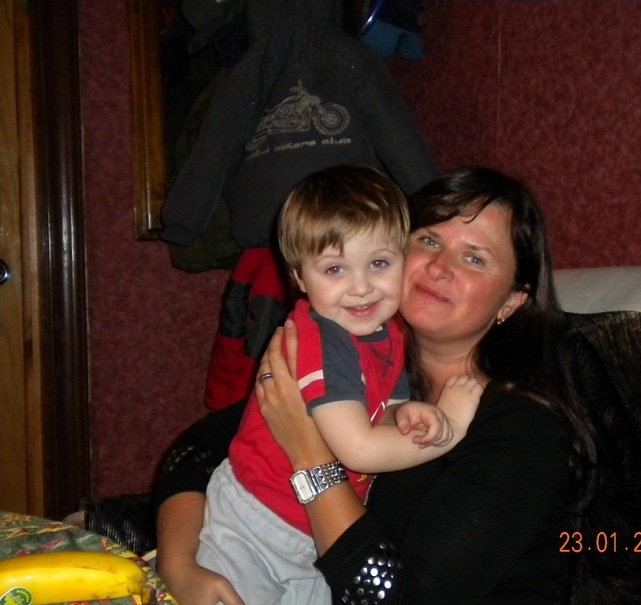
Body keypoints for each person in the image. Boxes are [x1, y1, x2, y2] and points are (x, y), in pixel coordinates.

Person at [153, 167, 598, 605]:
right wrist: (180, 565)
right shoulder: (360, 352)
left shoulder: (522, 430)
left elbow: (401, 599)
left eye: (475, 258)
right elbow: (197, 449)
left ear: (512, 301)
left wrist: (309, 455)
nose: (439, 267)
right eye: (429, 241)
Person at [196, 164, 481, 605]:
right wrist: (453, 427)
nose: (361, 288)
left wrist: (406, 413)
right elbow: (358, 450)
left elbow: (377, 411)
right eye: (334, 269)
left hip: (315, 526)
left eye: (379, 263)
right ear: (299, 278)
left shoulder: (387, 333)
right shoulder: (323, 340)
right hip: (255, 522)